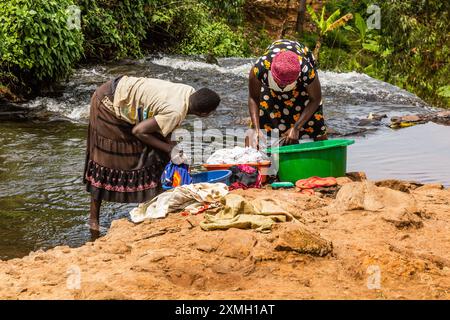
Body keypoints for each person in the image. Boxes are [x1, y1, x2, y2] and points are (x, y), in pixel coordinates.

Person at [83, 75, 220, 232]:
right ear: (203, 114)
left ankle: (157, 204)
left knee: (159, 156)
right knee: (107, 162)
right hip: (108, 105)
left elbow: (166, 124)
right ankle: (93, 220)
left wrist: (174, 151)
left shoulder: (188, 92)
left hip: (122, 94)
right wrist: (170, 149)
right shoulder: (176, 111)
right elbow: (139, 131)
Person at [247, 39, 327, 148]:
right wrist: (256, 129)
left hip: (300, 89)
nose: (283, 87)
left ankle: (323, 157)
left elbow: (316, 99)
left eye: (286, 83)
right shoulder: (261, 67)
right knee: (256, 131)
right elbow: (253, 97)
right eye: (279, 82)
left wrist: (296, 128)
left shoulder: (306, 69)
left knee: (316, 125)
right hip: (270, 89)